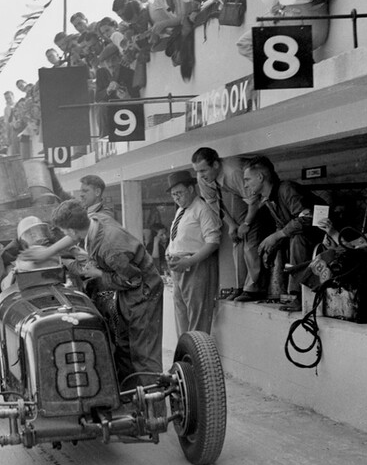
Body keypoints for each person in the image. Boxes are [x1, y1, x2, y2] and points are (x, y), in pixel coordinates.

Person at [51, 200, 164, 379]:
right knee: (124, 345)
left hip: (145, 291)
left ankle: (154, 401)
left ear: (72, 231)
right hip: (127, 291)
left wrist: (98, 273)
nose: (65, 235)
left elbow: (133, 280)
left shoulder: (112, 249)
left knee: (144, 353)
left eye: (65, 232)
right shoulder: (96, 219)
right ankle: (130, 393)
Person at [242, 156, 327, 311]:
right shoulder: (268, 199)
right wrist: (273, 245)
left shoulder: (286, 189)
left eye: (247, 179)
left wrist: (276, 236)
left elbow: (306, 218)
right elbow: (285, 227)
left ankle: (299, 296)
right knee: (276, 245)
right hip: (306, 237)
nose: (245, 185)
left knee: (297, 238)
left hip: (324, 236)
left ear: (260, 177)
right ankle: (280, 293)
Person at [191, 147, 267, 301]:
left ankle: (253, 288)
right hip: (241, 194)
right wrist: (232, 225)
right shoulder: (203, 178)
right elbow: (213, 203)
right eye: (197, 171)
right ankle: (240, 287)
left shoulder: (233, 173)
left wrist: (246, 223)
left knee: (250, 241)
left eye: (203, 170)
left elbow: (254, 202)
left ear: (216, 165)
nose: (201, 175)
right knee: (236, 240)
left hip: (260, 196)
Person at [165, 170, 221, 335]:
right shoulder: (181, 211)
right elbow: (178, 238)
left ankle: (196, 357)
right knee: (181, 314)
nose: (176, 198)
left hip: (196, 266)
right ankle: (184, 355)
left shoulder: (202, 209)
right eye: (173, 195)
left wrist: (188, 262)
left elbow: (213, 242)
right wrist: (170, 252)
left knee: (197, 317)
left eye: (179, 193)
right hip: (178, 268)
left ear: (191, 189)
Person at [236, 0, 341, 61]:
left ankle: (296, 68)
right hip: (320, 19)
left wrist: (277, 7)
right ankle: (299, 64)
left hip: (297, 22)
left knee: (245, 44)